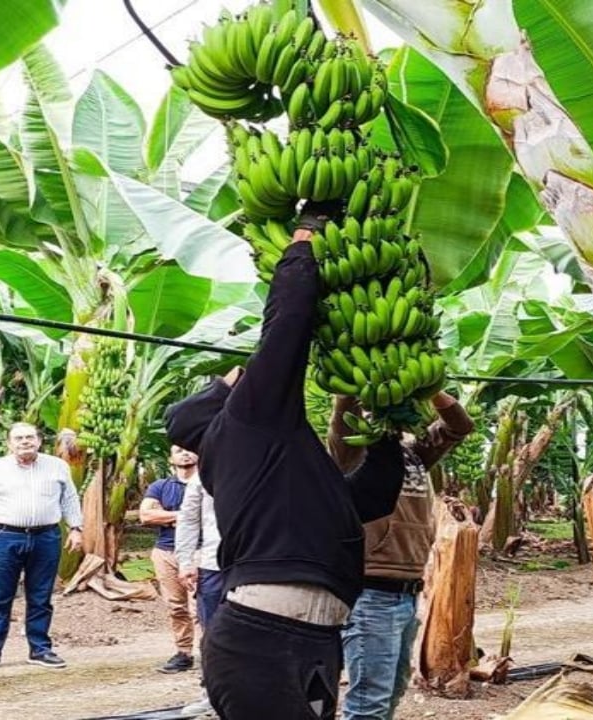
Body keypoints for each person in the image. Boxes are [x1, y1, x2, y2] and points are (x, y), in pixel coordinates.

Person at [164, 212, 405, 720]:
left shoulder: (274, 466)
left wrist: (383, 425)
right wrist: (303, 243)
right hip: (261, 638)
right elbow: (285, 332)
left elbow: (370, 498)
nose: (243, 379)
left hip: (311, 637)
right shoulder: (246, 424)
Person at [329, 392, 475, 720]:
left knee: (392, 692)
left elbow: (460, 427)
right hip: (371, 593)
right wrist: (354, 384)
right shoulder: (351, 453)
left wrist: (432, 390)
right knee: (370, 702)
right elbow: (342, 416)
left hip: (408, 593)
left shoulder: (415, 453)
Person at [0, 422, 83, 674]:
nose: (25, 442)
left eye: (30, 437)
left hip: (46, 537)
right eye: (19, 438)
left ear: (39, 440)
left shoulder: (57, 466)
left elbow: (69, 498)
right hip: (4, 537)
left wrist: (75, 528)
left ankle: (40, 649)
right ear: (9, 443)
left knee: (41, 597)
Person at [141, 445, 200, 674]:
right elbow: (146, 515)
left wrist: (167, 517)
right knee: (176, 606)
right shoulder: (160, 486)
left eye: (190, 449)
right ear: (171, 458)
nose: (185, 453)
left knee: (200, 608)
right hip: (166, 551)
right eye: (179, 450)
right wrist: (185, 516)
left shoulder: (208, 485)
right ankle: (183, 652)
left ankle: (211, 653)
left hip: (200, 552)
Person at [174, 469, 223, 715]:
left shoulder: (266, 463)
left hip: (258, 564)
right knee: (212, 634)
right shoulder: (203, 474)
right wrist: (185, 561)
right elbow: (189, 519)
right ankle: (212, 695)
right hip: (213, 565)